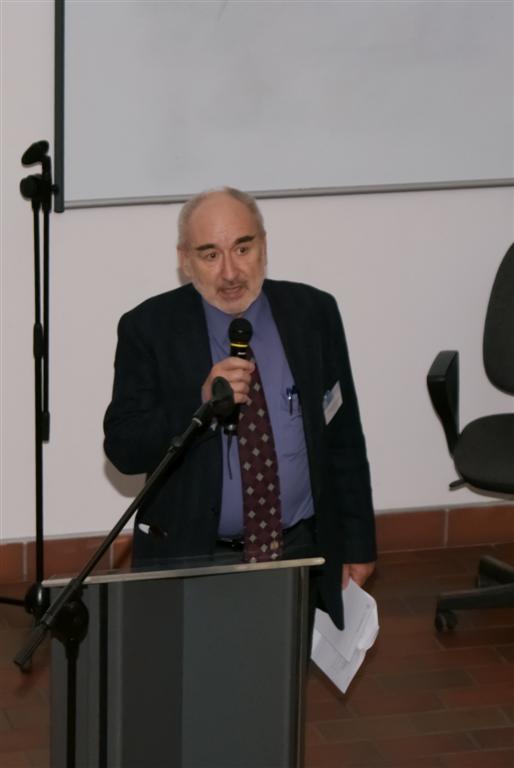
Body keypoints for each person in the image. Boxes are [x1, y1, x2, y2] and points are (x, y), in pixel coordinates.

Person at [103, 187, 376, 629]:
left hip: (300, 548)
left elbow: (342, 435)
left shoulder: (313, 313)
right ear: (185, 260)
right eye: (210, 255)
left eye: (242, 249)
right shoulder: (149, 328)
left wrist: (358, 542)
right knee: (198, 672)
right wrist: (199, 403)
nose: (230, 272)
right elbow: (124, 448)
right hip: (194, 554)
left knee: (287, 669)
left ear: (263, 246)